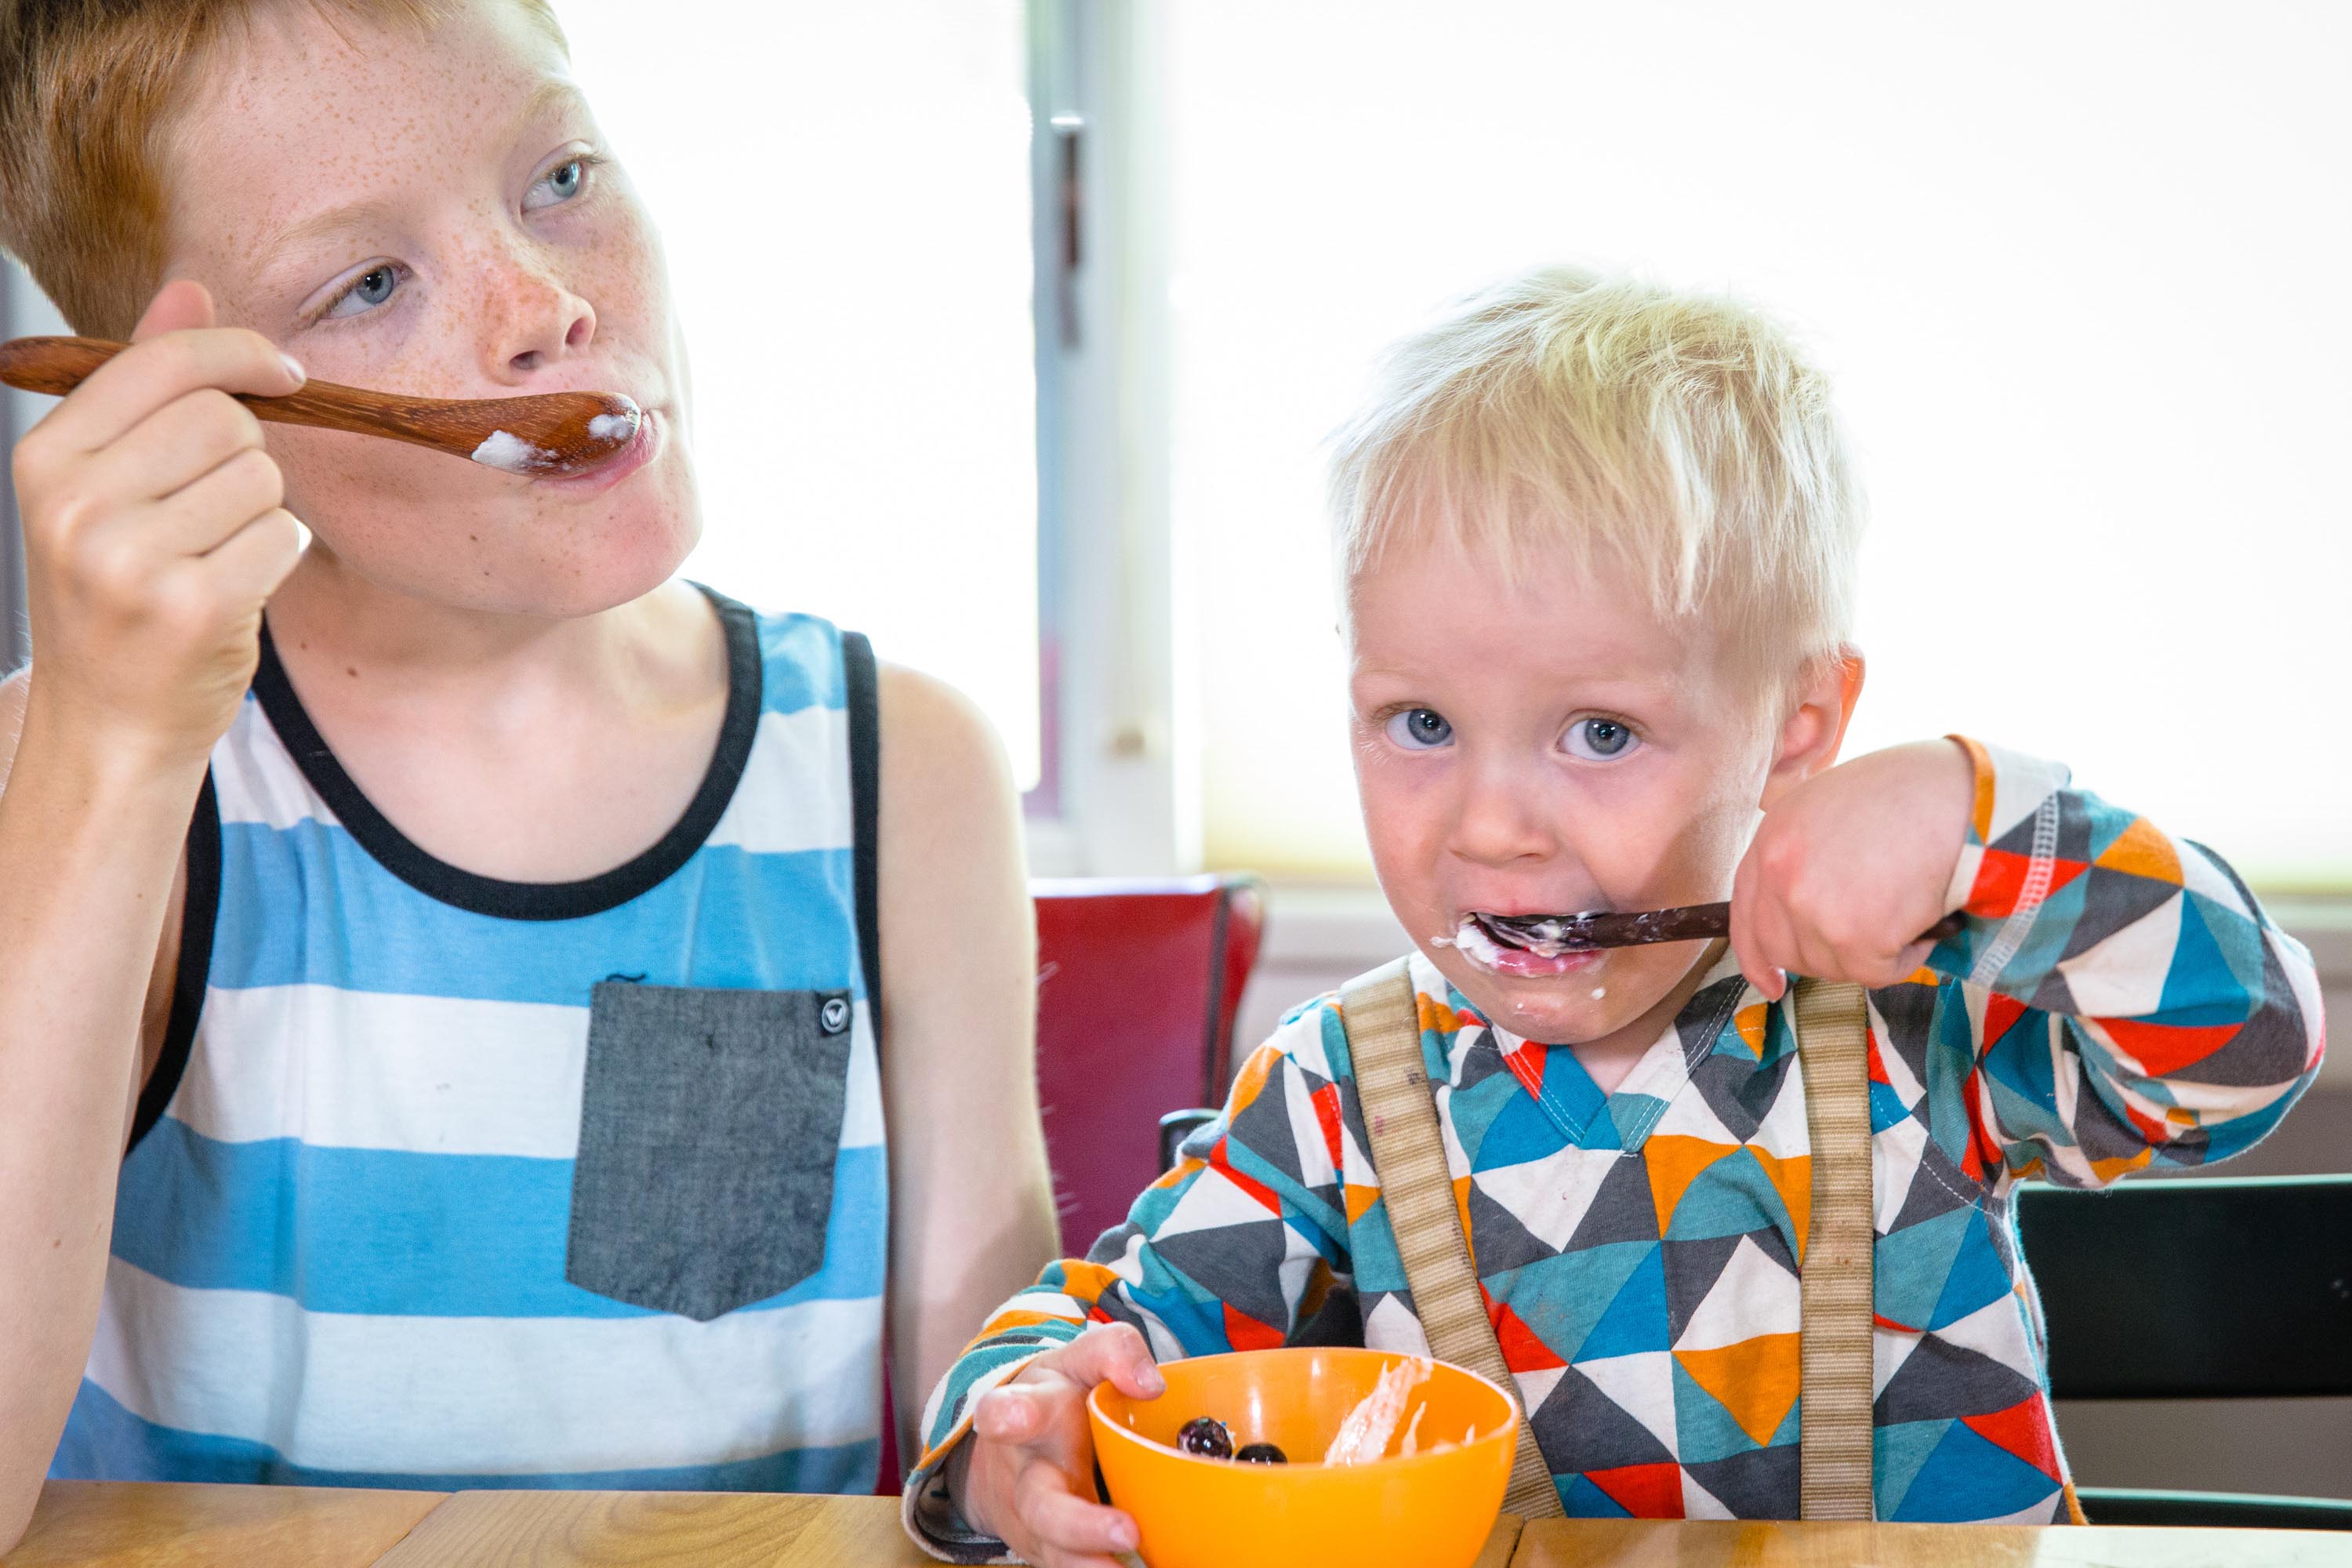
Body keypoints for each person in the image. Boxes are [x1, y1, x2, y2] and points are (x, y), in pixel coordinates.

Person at [907, 265, 2325, 1563]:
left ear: (1794, 727)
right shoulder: (1341, 1092)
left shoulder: (1918, 1006)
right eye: (1419, 721)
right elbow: (1116, 1334)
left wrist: (1988, 825)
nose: (1487, 825)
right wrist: (1009, 1438)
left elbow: (2248, 1049)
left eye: (1598, 733)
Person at [0, 0, 1059, 1548]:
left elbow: (994, 1434)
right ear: (187, 406)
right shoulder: (85, 771)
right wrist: (109, 749)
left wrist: (1039, 1437)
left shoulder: (902, 771)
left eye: (559, 176)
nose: (545, 303)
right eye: (370, 282)